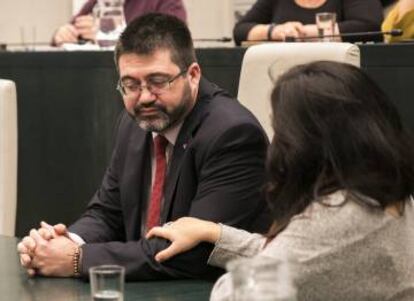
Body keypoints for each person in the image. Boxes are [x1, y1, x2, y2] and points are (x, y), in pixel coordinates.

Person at [17, 13, 271, 281]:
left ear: (193, 75)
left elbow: (194, 255)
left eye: (158, 82)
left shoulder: (232, 134)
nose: (145, 97)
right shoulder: (133, 123)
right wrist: (62, 242)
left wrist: (77, 259)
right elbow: (107, 213)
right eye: (131, 84)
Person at [146, 61, 414, 300]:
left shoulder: (338, 212)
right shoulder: (383, 189)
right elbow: (301, 254)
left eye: (281, 129)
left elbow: (233, 294)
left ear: (307, 141)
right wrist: (215, 233)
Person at [233, 0, 383, 45]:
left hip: (343, 76)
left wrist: (304, 32)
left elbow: (370, 25)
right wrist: (276, 31)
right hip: (285, 75)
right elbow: (240, 31)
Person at [52, 0, 187, 46]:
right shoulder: (97, 3)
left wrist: (106, 33)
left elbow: (173, 41)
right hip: (101, 79)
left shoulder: (166, 2)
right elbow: (73, 29)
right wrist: (62, 34)